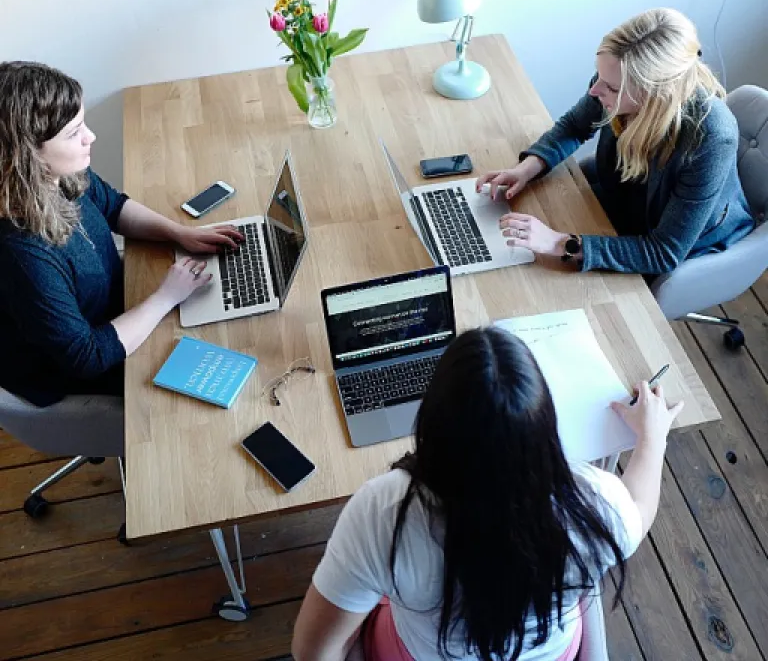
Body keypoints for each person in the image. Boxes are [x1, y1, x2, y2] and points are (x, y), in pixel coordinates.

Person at [292, 327, 684, 661]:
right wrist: (653, 436)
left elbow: (311, 651)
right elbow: (640, 508)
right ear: (545, 426)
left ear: (432, 420)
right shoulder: (594, 503)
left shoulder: (383, 512)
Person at [0, 61, 244, 406]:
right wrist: (165, 297)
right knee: (228, 357)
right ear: (27, 156)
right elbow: (85, 357)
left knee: (227, 319)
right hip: (83, 368)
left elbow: (113, 207)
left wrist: (178, 233)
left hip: (120, 308)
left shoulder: (60, 177)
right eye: (73, 133)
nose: (90, 137)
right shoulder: (23, 255)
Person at [477, 8, 754, 274]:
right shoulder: (614, 77)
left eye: (610, 88)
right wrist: (525, 169)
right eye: (600, 77)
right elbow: (574, 126)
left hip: (674, 238)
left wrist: (558, 243)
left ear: (656, 94)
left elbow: (664, 251)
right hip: (623, 196)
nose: (595, 90)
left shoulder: (711, 138)